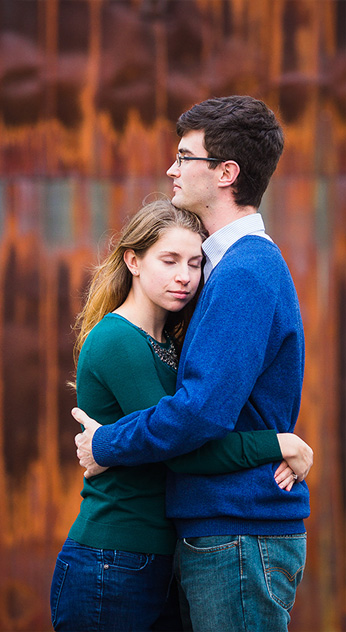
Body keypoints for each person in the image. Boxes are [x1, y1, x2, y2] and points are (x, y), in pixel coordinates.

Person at [72, 96, 312, 631]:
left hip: (239, 529)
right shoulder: (227, 269)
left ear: (226, 173)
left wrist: (105, 444)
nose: (171, 169)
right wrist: (280, 442)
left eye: (185, 157)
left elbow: (202, 413)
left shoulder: (245, 271)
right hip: (226, 526)